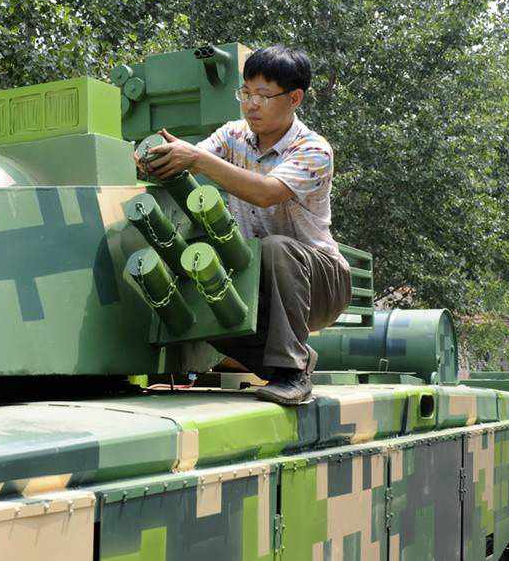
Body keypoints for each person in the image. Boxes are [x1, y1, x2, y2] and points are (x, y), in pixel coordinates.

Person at [138, 45, 351, 405]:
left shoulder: (314, 150)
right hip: (258, 279)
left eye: (263, 96)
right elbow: (193, 157)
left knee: (275, 248)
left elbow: (267, 193)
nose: (251, 104)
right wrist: (156, 161)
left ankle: (292, 374)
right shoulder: (233, 135)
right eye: (246, 93)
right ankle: (294, 361)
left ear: (294, 98)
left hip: (320, 282)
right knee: (202, 306)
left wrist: (198, 160)